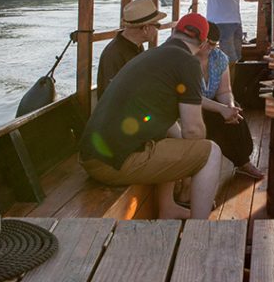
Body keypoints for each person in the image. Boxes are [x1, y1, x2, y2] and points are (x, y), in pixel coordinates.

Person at [78, 13, 222, 220]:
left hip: (92, 156)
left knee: (172, 139)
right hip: (112, 163)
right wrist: (192, 167)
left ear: (174, 33)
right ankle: (198, 229)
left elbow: (171, 123)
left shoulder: (152, 55)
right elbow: (193, 130)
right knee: (212, 153)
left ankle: (168, 207)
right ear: (203, 44)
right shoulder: (187, 63)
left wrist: (186, 154)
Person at [197, 22, 264, 179]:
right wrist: (221, 109)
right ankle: (212, 167)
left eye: (215, 44)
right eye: (209, 43)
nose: (211, 48)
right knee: (215, 116)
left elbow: (225, 91)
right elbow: (190, 97)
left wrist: (229, 106)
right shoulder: (186, 61)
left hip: (211, 102)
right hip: (191, 105)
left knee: (236, 111)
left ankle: (243, 162)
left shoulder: (219, 58)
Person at [96, 0, 167, 100]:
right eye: (157, 25)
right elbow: (113, 98)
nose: (157, 29)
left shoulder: (136, 46)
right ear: (146, 28)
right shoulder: (114, 54)